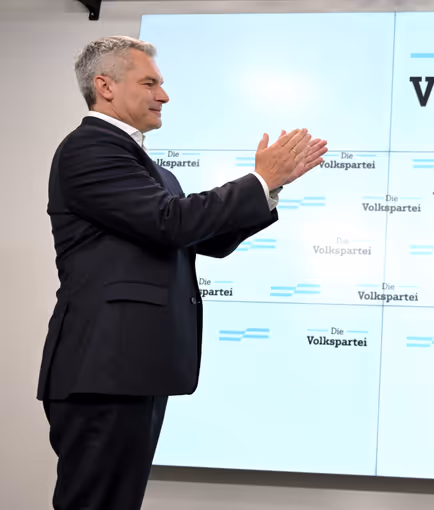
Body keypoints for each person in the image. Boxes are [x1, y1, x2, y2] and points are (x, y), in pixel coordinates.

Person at [36, 35, 328, 510]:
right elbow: (172, 222)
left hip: (129, 369)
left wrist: (269, 191)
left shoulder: (147, 166)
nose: (164, 95)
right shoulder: (89, 148)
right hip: (103, 370)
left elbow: (202, 239)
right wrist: (259, 180)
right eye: (149, 83)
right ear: (104, 86)